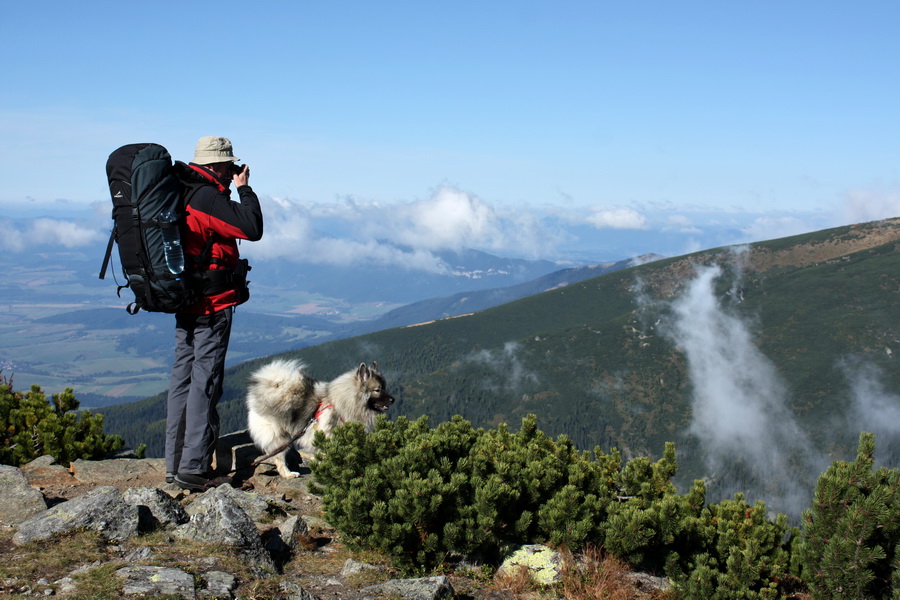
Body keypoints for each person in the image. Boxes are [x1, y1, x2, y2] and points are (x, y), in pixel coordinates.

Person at [165, 136, 263, 491]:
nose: (232, 171)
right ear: (217, 165)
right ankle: (193, 466)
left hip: (185, 299)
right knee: (204, 382)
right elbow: (252, 228)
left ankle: (174, 463)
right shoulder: (206, 196)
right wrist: (245, 190)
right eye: (229, 166)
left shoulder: (181, 189)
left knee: (183, 380)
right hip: (212, 303)